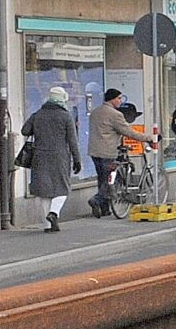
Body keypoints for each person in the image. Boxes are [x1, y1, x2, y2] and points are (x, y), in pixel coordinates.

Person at [20, 86, 85, 234]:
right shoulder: (65, 116)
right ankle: (54, 213)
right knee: (62, 188)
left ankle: (47, 225)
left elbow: (25, 130)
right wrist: (77, 160)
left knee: (44, 191)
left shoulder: (38, 114)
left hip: (40, 156)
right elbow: (72, 141)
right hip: (59, 156)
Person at [87, 88, 150, 218]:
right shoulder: (115, 114)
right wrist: (148, 138)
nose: (121, 101)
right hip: (109, 152)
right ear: (112, 99)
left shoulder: (95, 112)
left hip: (94, 151)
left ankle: (105, 209)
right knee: (110, 182)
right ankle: (97, 200)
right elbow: (128, 132)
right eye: (119, 98)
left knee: (102, 179)